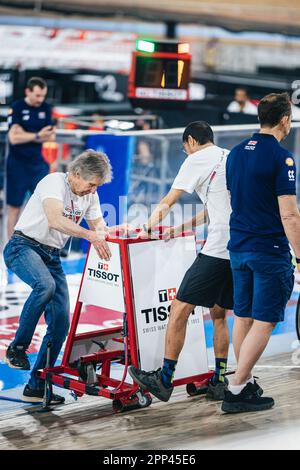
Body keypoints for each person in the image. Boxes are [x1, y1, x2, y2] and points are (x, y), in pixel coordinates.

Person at [4, 149, 124, 404]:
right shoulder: (54, 182)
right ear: (77, 174)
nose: (93, 190)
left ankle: (36, 385)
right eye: (92, 184)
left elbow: (99, 228)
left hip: (51, 256)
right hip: (22, 246)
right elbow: (55, 219)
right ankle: (16, 349)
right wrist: (90, 235)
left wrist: (116, 231)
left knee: (60, 324)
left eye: (97, 186)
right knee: (44, 285)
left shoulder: (90, 195)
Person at [129, 121, 236, 402]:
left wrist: (147, 228)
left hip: (218, 249)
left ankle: (164, 380)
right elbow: (218, 208)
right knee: (219, 313)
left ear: (190, 141)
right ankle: (219, 380)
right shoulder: (228, 157)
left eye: (184, 147)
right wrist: (181, 228)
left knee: (179, 308)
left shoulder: (196, 159)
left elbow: (169, 200)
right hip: (238, 246)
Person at [223, 92, 300, 413]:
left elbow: (233, 197)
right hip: (269, 251)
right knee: (266, 320)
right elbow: (289, 215)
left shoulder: (236, 153)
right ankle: (237, 388)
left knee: (243, 316)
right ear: (284, 120)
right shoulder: (282, 158)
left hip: (239, 247)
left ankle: (245, 380)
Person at [6, 76, 55, 238]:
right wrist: (36, 135)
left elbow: (50, 137)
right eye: (37, 96)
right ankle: (11, 247)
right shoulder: (18, 107)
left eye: (43, 96)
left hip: (37, 164)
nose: (40, 99)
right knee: (14, 206)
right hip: (17, 164)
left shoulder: (46, 108)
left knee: (45, 205)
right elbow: (13, 138)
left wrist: (24, 134)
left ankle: (40, 242)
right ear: (28, 92)